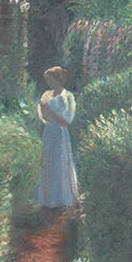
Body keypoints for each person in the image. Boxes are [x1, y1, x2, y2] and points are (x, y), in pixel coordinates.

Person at [35, 66, 79, 209]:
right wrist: (44, 112)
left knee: (59, 163)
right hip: (49, 133)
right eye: (47, 80)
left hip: (60, 134)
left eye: (51, 80)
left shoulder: (68, 97)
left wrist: (50, 112)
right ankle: (48, 198)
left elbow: (67, 120)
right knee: (47, 163)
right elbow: (42, 116)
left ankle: (61, 199)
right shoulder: (46, 94)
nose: (49, 83)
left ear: (57, 79)